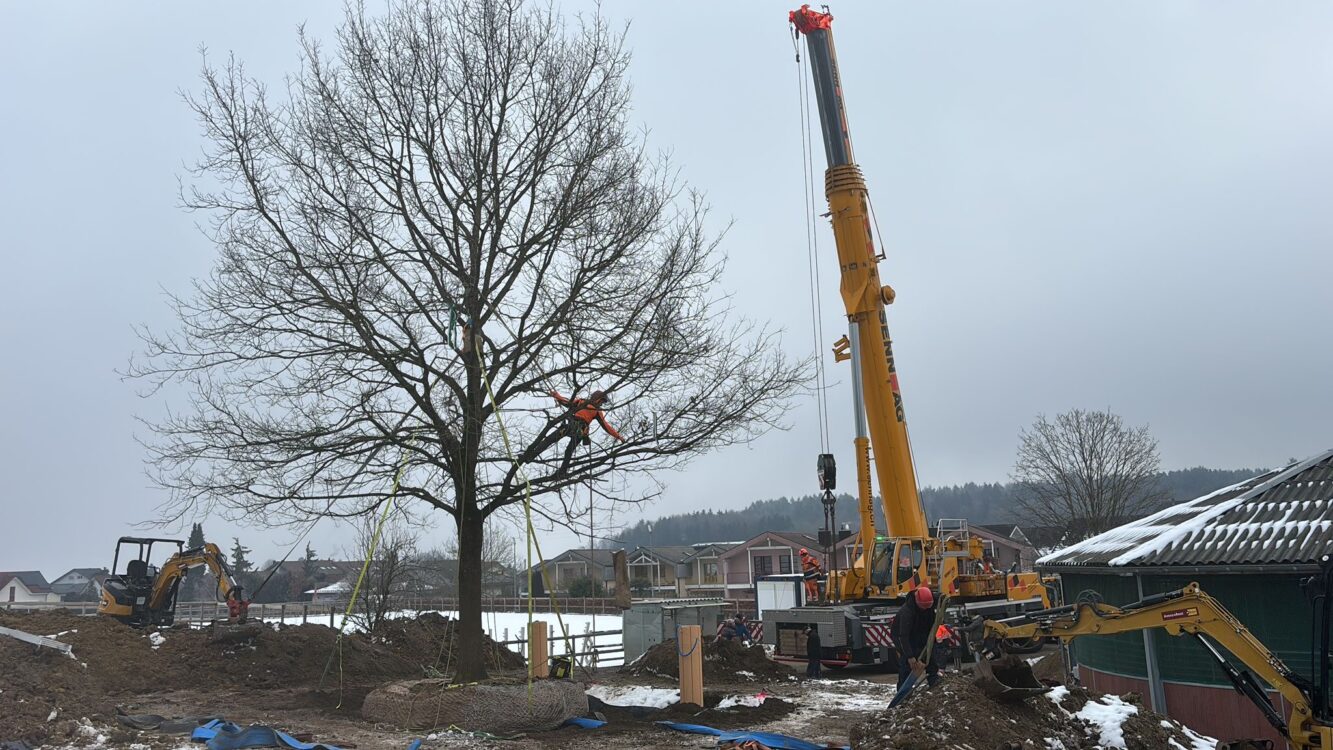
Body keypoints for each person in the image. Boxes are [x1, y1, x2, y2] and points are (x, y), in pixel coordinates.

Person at [891, 586, 940, 688]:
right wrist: (910, 656)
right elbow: (903, 636)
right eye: (924, 607)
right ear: (917, 602)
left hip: (922, 633)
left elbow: (941, 598)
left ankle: (934, 683)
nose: (926, 609)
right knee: (908, 666)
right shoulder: (907, 612)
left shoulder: (931, 602)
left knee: (931, 660)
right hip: (905, 638)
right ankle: (903, 689)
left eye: (928, 606)